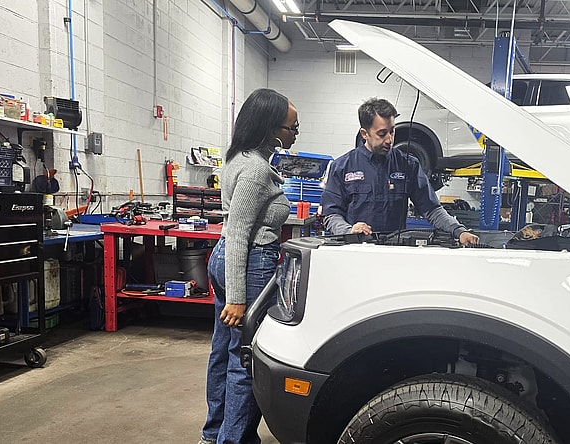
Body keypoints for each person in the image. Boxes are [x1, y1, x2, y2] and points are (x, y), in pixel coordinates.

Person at [200, 88, 298, 444]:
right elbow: (240, 230)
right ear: (271, 128)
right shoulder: (256, 169)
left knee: (223, 349)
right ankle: (231, 439)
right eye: (291, 127)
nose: (294, 133)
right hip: (248, 262)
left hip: (229, 257)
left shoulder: (239, 158)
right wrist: (238, 298)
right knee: (246, 359)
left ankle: (215, 435)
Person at [321, 98, 479, 246]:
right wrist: (349, 231)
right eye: (382, 134)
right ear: (364, 134)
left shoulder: (408, 165)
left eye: (392, 131)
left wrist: (459, 231)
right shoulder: (342, 167)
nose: (389, 139)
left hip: (395, 253)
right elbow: (331, 215)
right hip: (355, 252)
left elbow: (432, 209)